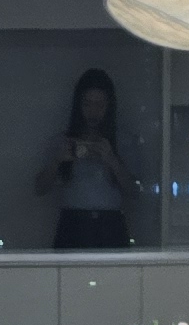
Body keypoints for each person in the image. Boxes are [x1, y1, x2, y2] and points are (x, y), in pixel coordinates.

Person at [34, 67, 140, 249]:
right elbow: (39, 188)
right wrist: (58, 160)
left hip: (110, 225)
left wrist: (112, 161)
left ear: (109, 106)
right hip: (72, 225)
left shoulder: (124, 141)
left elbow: (135, 191)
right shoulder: (62, 142)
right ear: (78, 105)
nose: (93, 112)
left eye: (100, 105)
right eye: (87, 104)